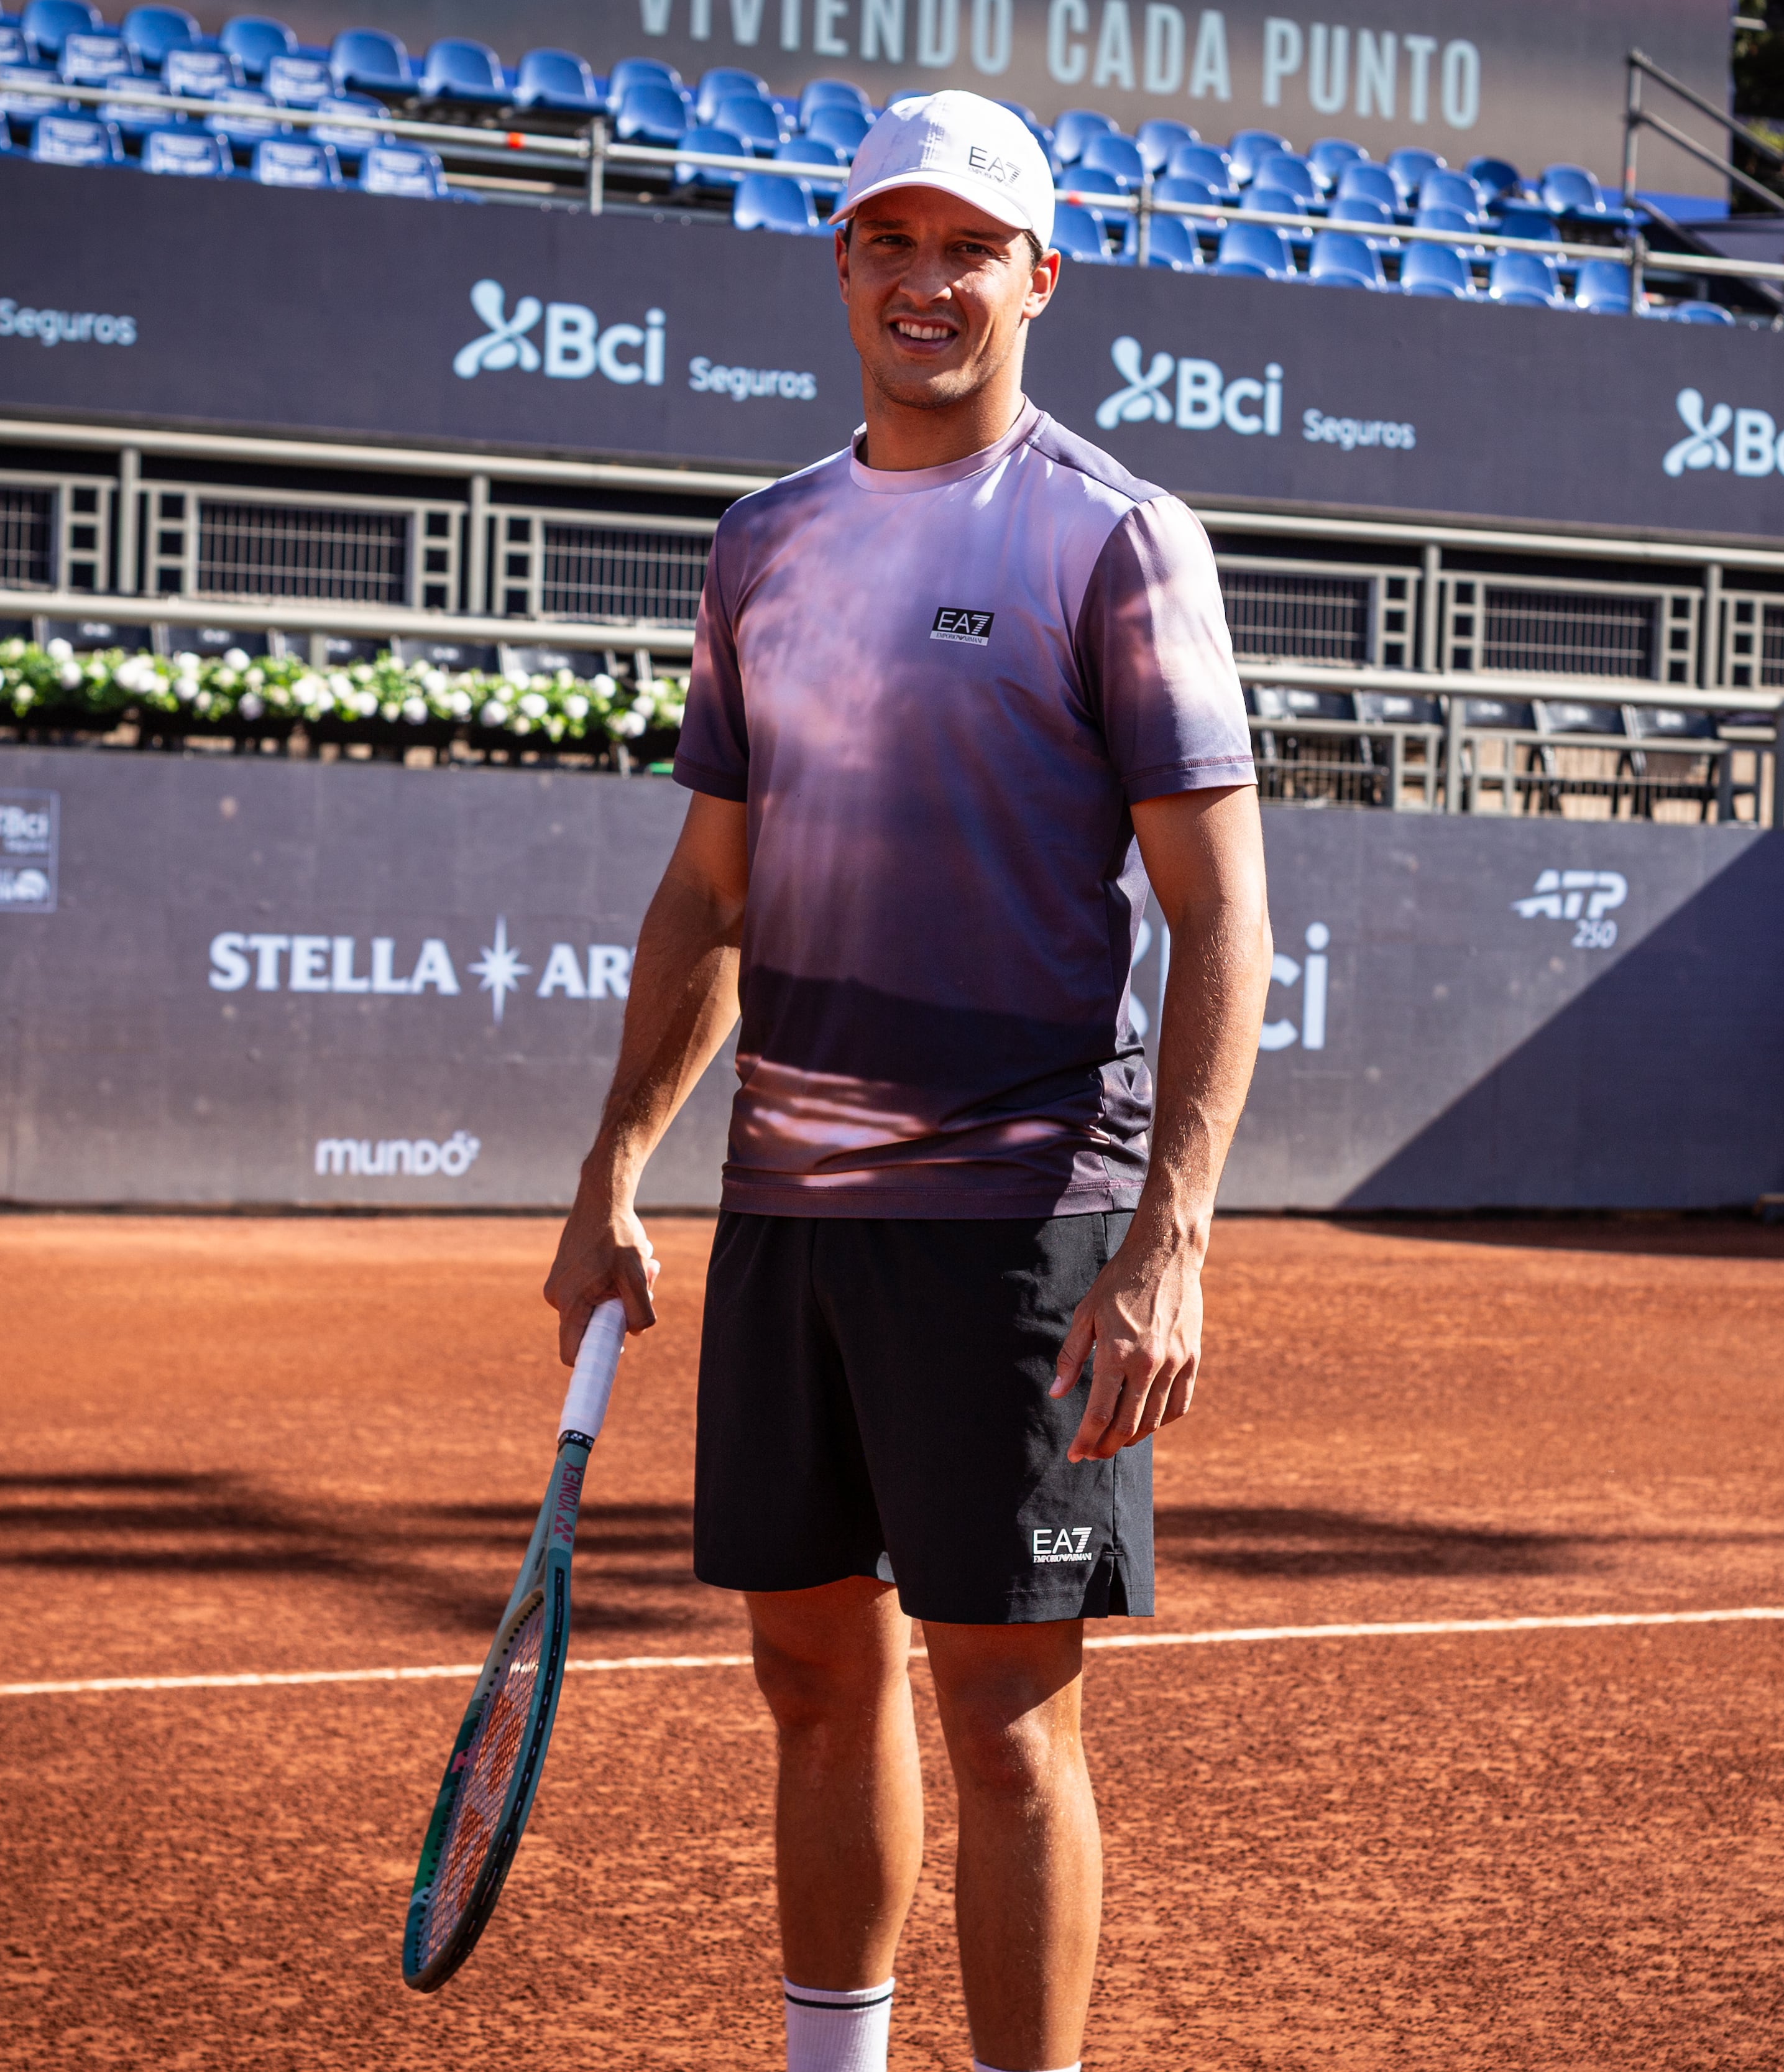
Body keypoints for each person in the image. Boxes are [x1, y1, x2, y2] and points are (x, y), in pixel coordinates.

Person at [541, 88, 1271, 2072]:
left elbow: (1225, 918)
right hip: (789, 1218)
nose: (925, 282)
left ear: (1040, 276)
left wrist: (1168, 1241)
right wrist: (617, 1164)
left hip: (1020, 1230)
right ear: (842, 264)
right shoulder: (760, 545)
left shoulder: (1114, 538)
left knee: (1009, 1718)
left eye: (969, 249)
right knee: (805, 1676)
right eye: (891, 242)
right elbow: (709, 892)